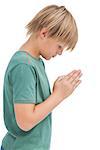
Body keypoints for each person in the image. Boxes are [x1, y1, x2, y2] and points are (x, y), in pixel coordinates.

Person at [1, 4, 82, 150]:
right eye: (59, 46)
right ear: (44, 33)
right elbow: (25, 121)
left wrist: (55, 90)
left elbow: (35, 108)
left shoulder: (35, 62)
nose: (60, 53)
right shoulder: (24, 66)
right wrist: (58, 95)